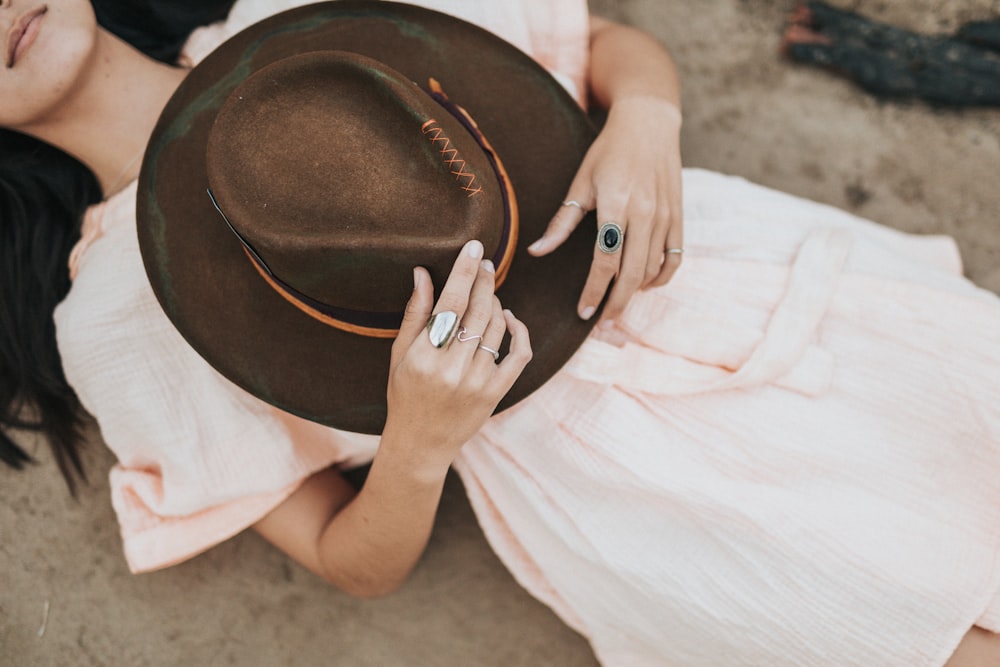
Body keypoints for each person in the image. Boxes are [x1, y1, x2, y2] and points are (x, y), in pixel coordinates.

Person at [1, 1, 999, 665]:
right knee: (902, 627)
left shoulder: (298, 18)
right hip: (616, 486)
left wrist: (644, 120)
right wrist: (421, 442)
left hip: (716, 267)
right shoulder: (114, 322)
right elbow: (348, 558)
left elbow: (604, 44)